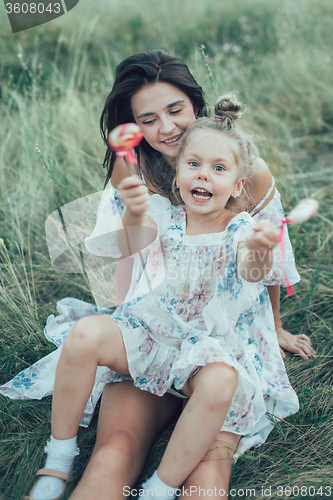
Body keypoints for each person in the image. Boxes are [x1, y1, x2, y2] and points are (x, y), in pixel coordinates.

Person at [0, 50, 314, 500]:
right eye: (148, 119)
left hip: (225, 345)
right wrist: (133, 214)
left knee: (206, 473)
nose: (166, 128)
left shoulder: (247, 172)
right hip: (155, 328)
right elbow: (121, 287)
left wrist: (277, 328)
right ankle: (57, 469)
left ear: (196, 106)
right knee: (113, 452)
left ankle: (160, 488)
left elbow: (266, 262)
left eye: (175, 110)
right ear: (134, 126)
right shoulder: (134, 167)